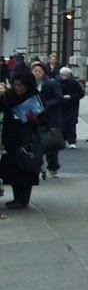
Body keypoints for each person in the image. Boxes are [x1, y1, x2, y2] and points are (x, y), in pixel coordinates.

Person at [1, 69, 43, 209]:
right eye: (16, 85)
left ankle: (23, 199)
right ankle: (16, 197)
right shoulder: (9, 95)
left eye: (21, 85)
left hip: (28, 137)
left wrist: (34, 119)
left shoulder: (34, 97)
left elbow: (44, 118)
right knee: (12, 168)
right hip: (11, 137)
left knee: (26, 168)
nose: (18, 88)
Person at [33, 64, 63, 177]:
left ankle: (53, 167)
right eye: (34, 71)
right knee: (36, 144)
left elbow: (59, 99)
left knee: (51, 143)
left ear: (43, 72)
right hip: (35, 119)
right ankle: (38, 166)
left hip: (50, 118)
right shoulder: (29, 85)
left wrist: (45, 105)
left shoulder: (51, 83)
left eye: (39, 71)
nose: (36, 73)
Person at [58, 68, 84, 148]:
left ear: (69, 75)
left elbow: (80, 94)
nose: (63, 76)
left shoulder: (74, 83)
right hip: (60, 106)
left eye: (65, 75)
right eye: (62, 75)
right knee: (60, 124)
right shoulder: (56, 82)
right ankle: (61, 141)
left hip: (72, 106)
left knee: (71, 124)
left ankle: (72, 141)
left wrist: (71, 96)